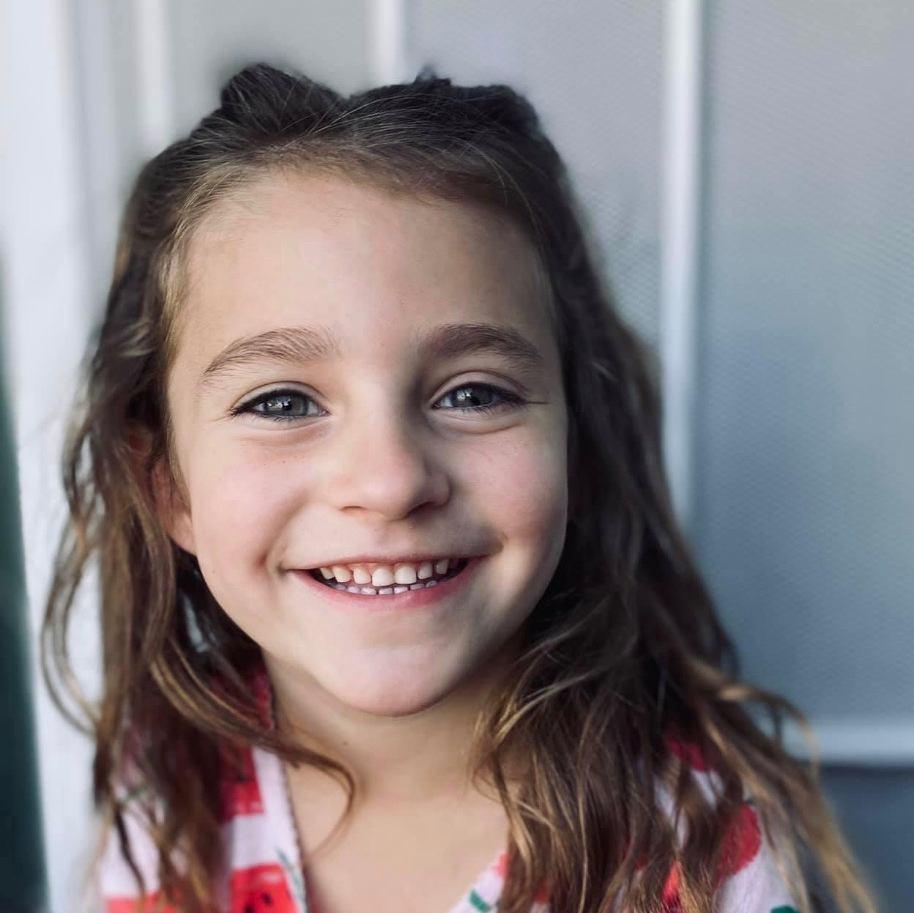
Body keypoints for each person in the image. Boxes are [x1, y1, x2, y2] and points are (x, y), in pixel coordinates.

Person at [41, 62, 879, 913]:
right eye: (282, 402)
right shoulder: (169, 801)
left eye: (473, 393)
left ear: (575, 444)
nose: (390, 481)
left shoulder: (696, 857)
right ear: (168, 485)